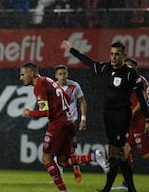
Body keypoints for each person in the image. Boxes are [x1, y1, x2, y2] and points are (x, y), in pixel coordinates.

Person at [62, 40, 149, 192]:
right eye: (111, 54)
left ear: (123, 56)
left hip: (122, 116)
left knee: (117, 153)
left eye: (117, 54)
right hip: (109, 116)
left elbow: (141, 98)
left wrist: (148, 118)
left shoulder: (131, 73)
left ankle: (114, 188)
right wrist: (72, 50)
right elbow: (88, 61)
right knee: (116, 154)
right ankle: (127, 188)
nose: (113, 57)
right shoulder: (105, 68)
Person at [20, 62, 109, 192]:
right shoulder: (48, 80)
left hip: (58, 125)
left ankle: (63, 191)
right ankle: (94, 157)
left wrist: (29, 113)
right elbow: (66, 97)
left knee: (46, 158)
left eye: (23, 74)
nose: (21, 77)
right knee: (63, 162)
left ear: (32, 73)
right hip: (69, 122)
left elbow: (45, 111)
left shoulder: (39, 86)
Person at [111, 58, 149, 191]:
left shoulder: (138, 81)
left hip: (139, 121)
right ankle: (127, 183)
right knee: (124, 151)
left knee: (146, 154)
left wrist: (130, 114)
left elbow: (141, 101)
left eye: (130, 67)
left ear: (135, 68)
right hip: (133, 122)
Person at [53, 64, 87, 183]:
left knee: (71, 149)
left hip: (71, 122)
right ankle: (60, 175)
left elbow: (82, 102)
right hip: (57, 122)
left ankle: (76, 168)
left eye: (64, 73)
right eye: (60, 74)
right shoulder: (53, 87)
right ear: (56, 76)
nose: (62, 76)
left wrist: (83, 119)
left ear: (67, 74)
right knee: (57, 148)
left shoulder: (74, 85)